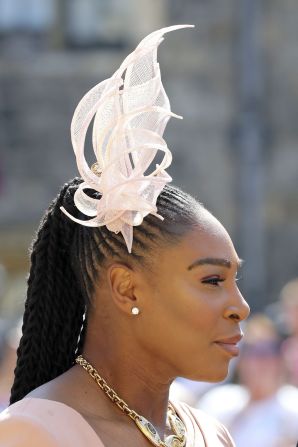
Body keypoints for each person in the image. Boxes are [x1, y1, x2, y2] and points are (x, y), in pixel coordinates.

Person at [0, 25, 250, 447]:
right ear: (126, 288)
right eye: (212, 280)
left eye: (234, 280)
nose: (240, 308)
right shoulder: (35, 433)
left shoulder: (211, 434)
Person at [198, 314, 298, 447]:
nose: (261, 360)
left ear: (280, 360)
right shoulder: (218, 400)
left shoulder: (293, 406)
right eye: (252, 350)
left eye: (270, 350)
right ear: (240, 361)